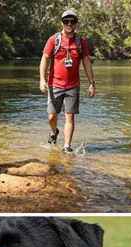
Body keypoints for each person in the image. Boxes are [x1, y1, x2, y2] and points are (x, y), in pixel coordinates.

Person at [40, 9, 96, 153]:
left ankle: (67, 146)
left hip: (73, 86)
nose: (69, 24)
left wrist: (91, 82)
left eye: (72, 21)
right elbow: (45, 59)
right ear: (62, 23)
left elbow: (86, 62)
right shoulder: (54, 39)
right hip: (55, 84)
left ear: (76, 23)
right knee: (52, 116)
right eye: (66, 21)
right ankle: (54, 132)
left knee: (69, 116)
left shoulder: (81, 41)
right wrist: (42, 79)